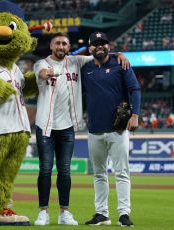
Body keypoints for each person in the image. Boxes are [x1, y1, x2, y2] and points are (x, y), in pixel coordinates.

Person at [33, 32, 130, 226]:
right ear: (51, 47)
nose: (61, 46)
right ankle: (43, 211)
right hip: (46, 126)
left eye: (65, 44)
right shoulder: (41, 63)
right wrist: (48, 74)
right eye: (57, 43)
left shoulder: (77, 61)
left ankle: (64, 212)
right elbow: (41, 73)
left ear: (69, 48)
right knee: (45, 170)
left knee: (65, 172)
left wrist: (119, 54)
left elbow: (101, 53)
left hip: (68, 126)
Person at [81, 31, 141, 227]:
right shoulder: (85, 67)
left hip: (118, 129)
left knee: (121, 172)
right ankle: (101, 214)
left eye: (103, 43)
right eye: (95, 44)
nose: (100, 46)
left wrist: (135, 115)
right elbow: (72, 57)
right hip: (94, 129)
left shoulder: (121, 65)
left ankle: (124, 214)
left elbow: (135, 90)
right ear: (90, 48)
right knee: (99, 174)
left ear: (109, 46)